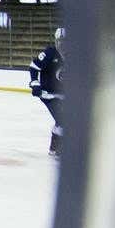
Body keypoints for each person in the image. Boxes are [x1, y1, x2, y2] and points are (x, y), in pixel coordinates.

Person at [29, 26, 65, 157]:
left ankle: (54, 148)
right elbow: (34, 67)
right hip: (48, 95)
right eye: (61, 41)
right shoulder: (50, 53)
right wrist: (35, 83)